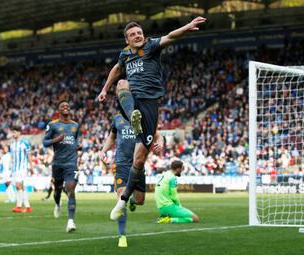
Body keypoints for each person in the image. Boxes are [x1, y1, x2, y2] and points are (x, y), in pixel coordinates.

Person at [98, 16, 207, 220]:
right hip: (132, 101)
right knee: (122, 83)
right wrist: (104, 89)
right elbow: (116, 69)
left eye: (139, 33)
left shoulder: (151, 46)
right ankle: (133, 116)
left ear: (143, 35)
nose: (137, 36)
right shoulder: (124, 55)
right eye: (132, 34)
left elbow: (170, 36)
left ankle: (123, 201)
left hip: (150, 104)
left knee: (139, 160)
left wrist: (188, 26)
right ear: (127, 40)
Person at [100, 112, 163, 247]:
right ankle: (122, 236)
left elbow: (158, 135)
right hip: (121, 164)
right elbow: (112, 137)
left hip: (138, 165)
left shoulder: (143, 116)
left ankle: (133, 201)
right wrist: (103, 151)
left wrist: (160, 144)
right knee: (121, 197)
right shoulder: (117, 118)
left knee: (140, 200)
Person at [43, 100, 81, 233]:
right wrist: (56, 140)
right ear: (58, 110)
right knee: (57, 190)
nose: (66, 107)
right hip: (58, 163)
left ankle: (71, 221)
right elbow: (45, 142)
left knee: (71, 190)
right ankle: (57, 204)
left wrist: (78, 146)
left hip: (71, 163)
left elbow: (76, 140)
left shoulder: (75, 125)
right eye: (62, 106)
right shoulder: (53, 125)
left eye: (67, 106)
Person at [10, 126, 34, 213]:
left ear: (19, 133)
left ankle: (19, 206)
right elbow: (12, 157)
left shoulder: (24, 143)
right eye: (13, 132)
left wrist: (31, 166)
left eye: (15, 132)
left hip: (22, 167)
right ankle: (26, 206)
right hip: (15, 168)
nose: (13, 134)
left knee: (19, 184)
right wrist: (11, 167)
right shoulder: (12, 145)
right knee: (19, 186)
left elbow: (29, 155)